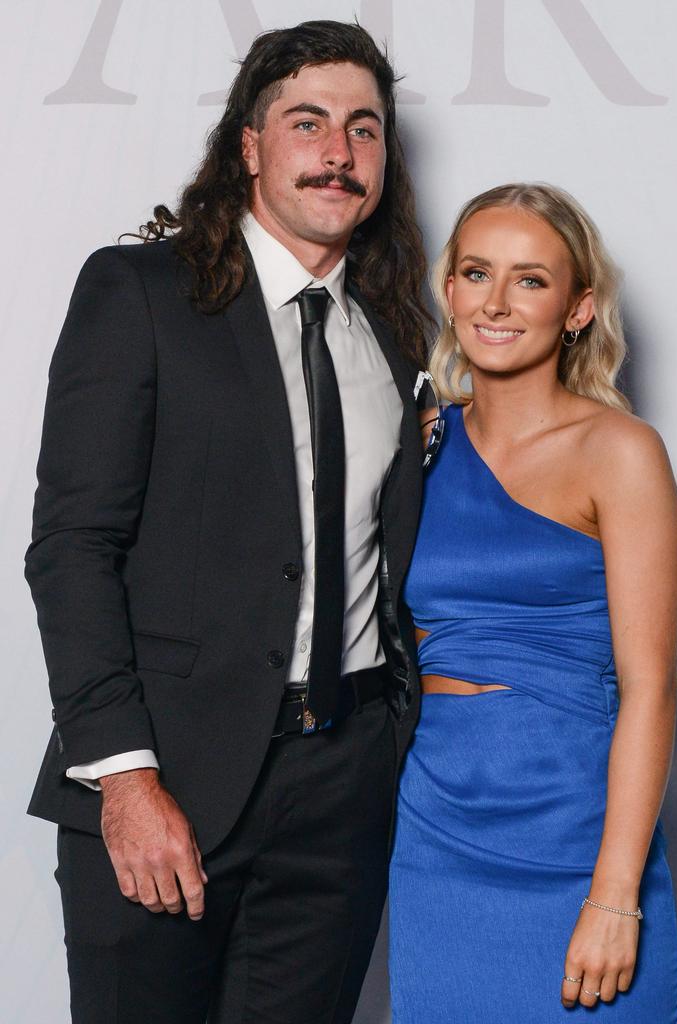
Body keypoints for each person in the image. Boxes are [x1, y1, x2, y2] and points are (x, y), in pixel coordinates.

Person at [25, 20, 432, 1024]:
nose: (339, 153)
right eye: (308, 122)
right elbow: (73, 547)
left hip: (344, 787)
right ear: (249, 145)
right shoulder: (141, 294)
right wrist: (125, 777)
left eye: (364, 128)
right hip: (170, 775)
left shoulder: (393, 329)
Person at [388, 183, 677, 1022]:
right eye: (476, 272)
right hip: (438, 825)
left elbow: (652, 686)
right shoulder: (416, 442)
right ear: (448, 291)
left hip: (578, 829)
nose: (496, 301)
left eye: (530, 280)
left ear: (579, 307)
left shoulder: (618, 451)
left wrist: (614, 896)